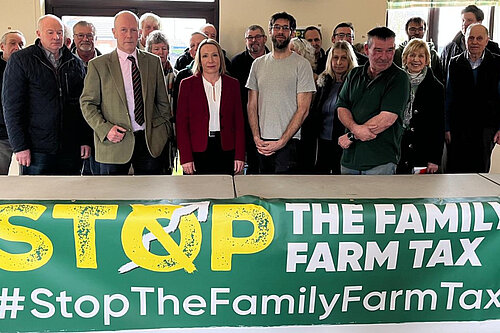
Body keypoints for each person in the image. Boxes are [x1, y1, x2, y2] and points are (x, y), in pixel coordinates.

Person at [80, 10, 173, 175]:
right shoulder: (98, 65)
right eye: (123, 30)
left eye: (133, 30)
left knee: (149, 198)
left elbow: (163, 103)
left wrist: (161, 133)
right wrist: (105, 129)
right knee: (113, 197)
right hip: (113, 145)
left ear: (139, 33)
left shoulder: (153, 62)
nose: (129, 35)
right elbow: (88, 104)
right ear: (114, 33)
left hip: (149, 144)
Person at [3, 15, 91, 175]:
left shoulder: (76, 63)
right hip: (36, 149)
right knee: (38, 196)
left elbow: (83, 106)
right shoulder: (21, 60)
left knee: (71, 196)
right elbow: (12, 107)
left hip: (71, 148)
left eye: (59, 32)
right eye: (50, 32)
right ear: (38, 33)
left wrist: (85, 140)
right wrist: (20, 146)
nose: (56, 37)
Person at [246, 12, 316, 174]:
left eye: (285, 28)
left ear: (292, 33)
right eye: (276, 27)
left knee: (284, 195)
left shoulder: (302, 65)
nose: (280, 32)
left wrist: (282, 141)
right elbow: (252, 105)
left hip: (289, 143)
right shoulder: (258, 64)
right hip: (261, 142)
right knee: (262, 194)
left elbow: (303, 109)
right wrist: (256, 137)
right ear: (269, 31)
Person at [337, 27, 410, 175]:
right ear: (366, 49)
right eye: (378, 50)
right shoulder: (354, 74)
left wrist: (351, 135)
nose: (384, 56)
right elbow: (341, 108)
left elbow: (387, 119)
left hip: (380, 161)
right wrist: (355, 129)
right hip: (350, 159)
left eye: (389, 50)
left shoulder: (399, 78)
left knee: (377, 199)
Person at [176, 39, 245, 175]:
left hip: (226, 149)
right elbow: (181, 124)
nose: (211, 60)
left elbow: (239, 122)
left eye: (215, 55)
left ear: (220, 57)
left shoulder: (233, 84)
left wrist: (240, 155)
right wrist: (185, 158)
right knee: (199, 193)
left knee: (226, 193)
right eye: (205, 56)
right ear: (199, 60)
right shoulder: (187, 85)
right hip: (197, 150)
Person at [445, 24, 500, 173]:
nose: (474, 42)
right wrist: (447, 127)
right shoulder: (455, 62)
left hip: (486, 128)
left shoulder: (497, 63)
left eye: (479, 38)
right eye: (471, 38)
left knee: (481, 172)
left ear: (487, 41)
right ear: (465, 40)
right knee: (456, 171)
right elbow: (449, 96)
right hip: (459, 127)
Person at [302, 41, 358, 175]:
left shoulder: (356, 84)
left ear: (350, 60)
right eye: (335, 57)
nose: (338, 62)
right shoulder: (323, 81)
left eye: (343, 58)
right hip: (322, 143)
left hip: (345, 143)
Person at [397, 39, 444, 174]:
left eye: (421, 56)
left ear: (427, 60)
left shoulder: (436, 87)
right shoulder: (395, 81)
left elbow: (438, 125)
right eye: (412, 55)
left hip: (423, 151)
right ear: (405, 58)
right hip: (397, 150)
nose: (416, 59)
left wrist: (434, 159)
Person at [230, 24, 269, 174]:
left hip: (268, 120)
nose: (254, 41)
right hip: (243, 120)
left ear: (265, 39)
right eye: (250, 38)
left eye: (258, 37)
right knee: (249, 162)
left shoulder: (273, 60)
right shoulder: (236, 62)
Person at [440, 5, 500, 83]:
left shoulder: (493, 49)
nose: (464, 24)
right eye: (463, 20)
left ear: (479, 22)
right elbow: (442, 76)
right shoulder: (449, 48)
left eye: (469, 20)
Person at [146, 30, 177, 174]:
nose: (160, 52)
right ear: (149, 50)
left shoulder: (176, 76)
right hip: (150, 130)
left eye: (164, 49)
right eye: (156, 49)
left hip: (170, 129)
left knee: (167, 172)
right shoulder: (143, 75)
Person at [0, 30, 25, 175]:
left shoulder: (25, 67)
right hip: (2, 135)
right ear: (2, 46)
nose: (17, 47)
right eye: (13, 43)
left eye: (21, 44)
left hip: (23, 133)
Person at [393, 17, 442, 82]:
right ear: (406, 31)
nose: (417, 32)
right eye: (412, 29)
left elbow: (439, 78)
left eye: (420, 29)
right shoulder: (397, 53)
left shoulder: (433, 54)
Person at [172, 31, 208, 116]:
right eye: (192, 46)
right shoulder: (182, 76)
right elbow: (178, 109)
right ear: (190, 52)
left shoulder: (221, 74)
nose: (196, 48)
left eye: (199, 45)